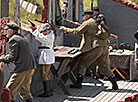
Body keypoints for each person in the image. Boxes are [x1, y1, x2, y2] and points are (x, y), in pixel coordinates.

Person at [60, 10, 118, 90]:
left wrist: (65, 29)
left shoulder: (88, 23)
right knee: (104, 66)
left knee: (83, 63)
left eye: (83, 16)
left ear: (87, 16)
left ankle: (78, 83)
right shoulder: (97, 22)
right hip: (104, 46)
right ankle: (114, 83)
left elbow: (76, 31)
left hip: (95, 47)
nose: (83, 18)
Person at [0, 22, 36, 102]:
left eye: (7, 30)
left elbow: (12, 56)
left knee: (9, 91)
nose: (5, 32)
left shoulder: (13, 39)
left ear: (12, 31)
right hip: (30, 67)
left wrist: (1, 59)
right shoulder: (21, 37)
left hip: (22, 68)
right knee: (25, 92)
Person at [30, 23, 55, 97]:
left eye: (45, 31)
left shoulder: (49, 36)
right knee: (46, 74)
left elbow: (40, 38)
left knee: (44, 74)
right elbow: (41, 36)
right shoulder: (49, 35)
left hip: (46, 55)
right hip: (46, 54)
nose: (43, 32)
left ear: (49, 30)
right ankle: (49, 90)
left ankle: (47, 91)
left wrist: (34, 31)